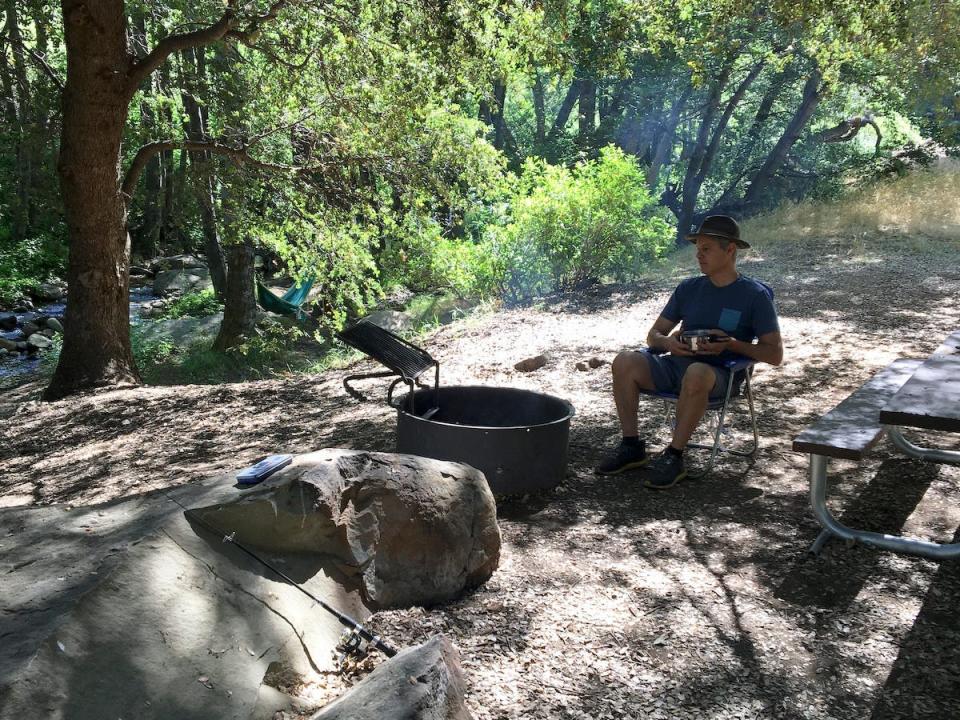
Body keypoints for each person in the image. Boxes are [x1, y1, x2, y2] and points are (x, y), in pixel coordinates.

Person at [595, 214, 783, 488]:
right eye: (698, 249)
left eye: (706, 248)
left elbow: (774, 355)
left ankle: (674, 455)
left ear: (730, 250)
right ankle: (631, 445)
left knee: (696, 373)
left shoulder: (754, 295)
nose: (698, 255)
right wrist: (668, 343)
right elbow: (653, 335)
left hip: (720, 375)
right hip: (677, 364)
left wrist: (730, 343)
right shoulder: (689, 288)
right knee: (625, 360)